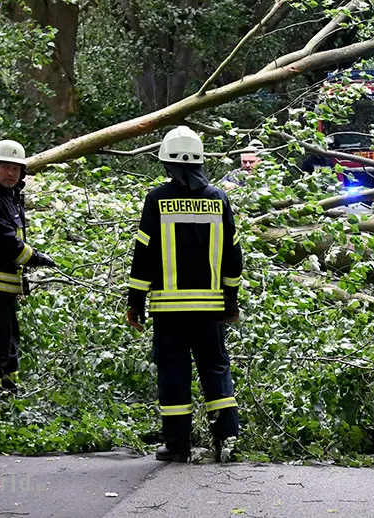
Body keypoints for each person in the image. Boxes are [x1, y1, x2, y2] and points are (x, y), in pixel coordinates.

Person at [126, 126, 243, 463]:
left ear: (166, 162)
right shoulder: (219, 199)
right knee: (216, 370)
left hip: (170, 311)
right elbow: (233, 255)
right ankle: (227, 441)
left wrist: (136, 302)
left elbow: (144, 254)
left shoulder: (157, 200)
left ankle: (178, 446)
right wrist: (231, 299)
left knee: (174, 374)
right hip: (210, 309)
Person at [0, 139, 55, 394]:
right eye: (5, 167)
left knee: (9, 340)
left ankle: (9, 390)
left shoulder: (9, 194)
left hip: (3, 283)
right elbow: (5, 243)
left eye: (15, 168)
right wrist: (36, 258)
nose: (10, 173)